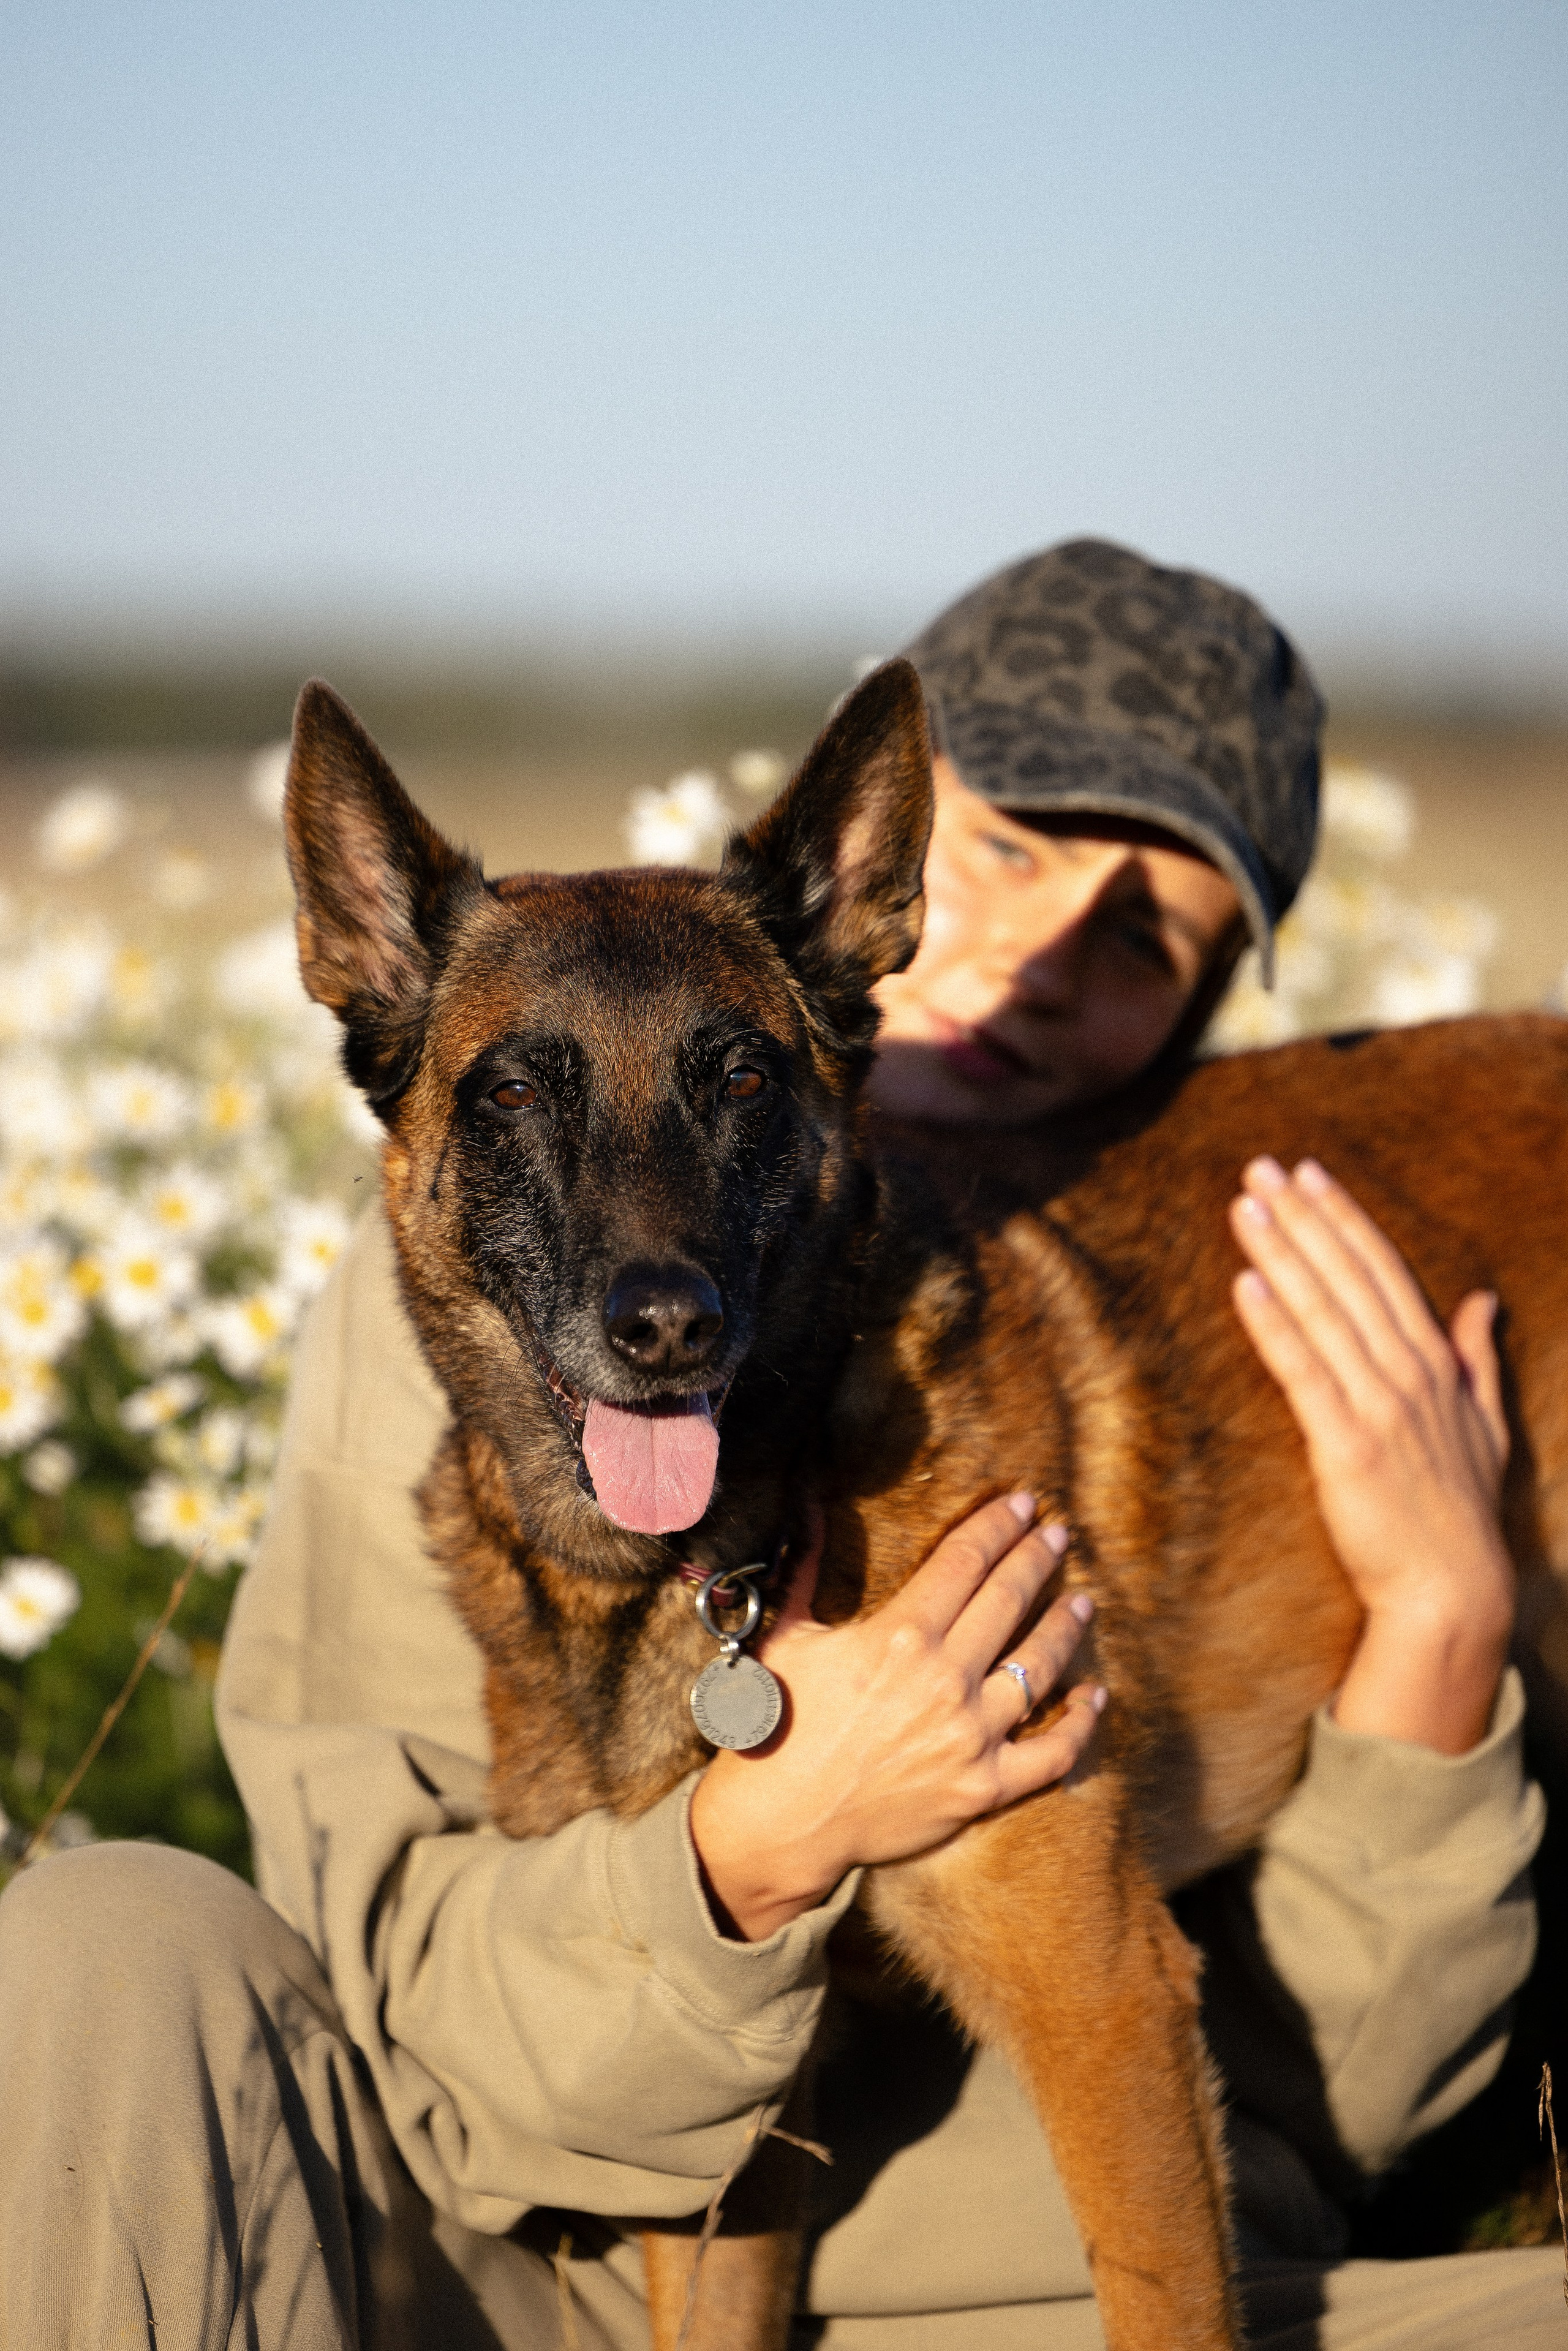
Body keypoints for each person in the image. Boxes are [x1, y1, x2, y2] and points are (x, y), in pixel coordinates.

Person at [0, 539, 1554, 2350]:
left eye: (1142, 940)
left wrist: (1443, 1625)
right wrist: (763, 1841)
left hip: (1039, 2290)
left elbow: (1334, 2091)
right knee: (96, 1932)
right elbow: (417, 2006)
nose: (1046, 961)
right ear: (900, 853)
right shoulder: (451, 1307)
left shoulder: (1102, 1328)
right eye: (1010, 854)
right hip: (531, 2227)